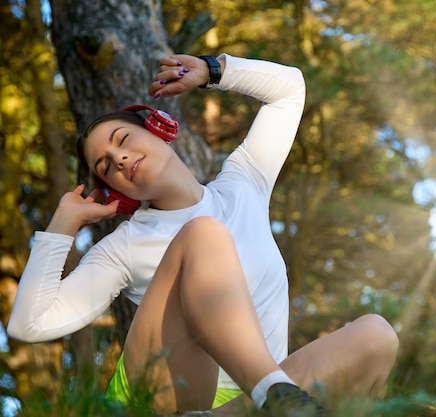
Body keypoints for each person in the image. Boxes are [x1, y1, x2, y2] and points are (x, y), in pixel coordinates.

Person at [7, 52, 398, 417]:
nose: (119, 159)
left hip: (241, 408)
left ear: (160, 128)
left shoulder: (243, 186)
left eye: (123, 141)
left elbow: (289, 89)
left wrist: (213, 71)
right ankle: (274, 392)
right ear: (116, 192)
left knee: (377, 335)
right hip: (169, 401)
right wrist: (63, 223)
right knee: (204, 235)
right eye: (106, 166)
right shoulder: (124, 246)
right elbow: (28, 325)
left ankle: (274, 394)